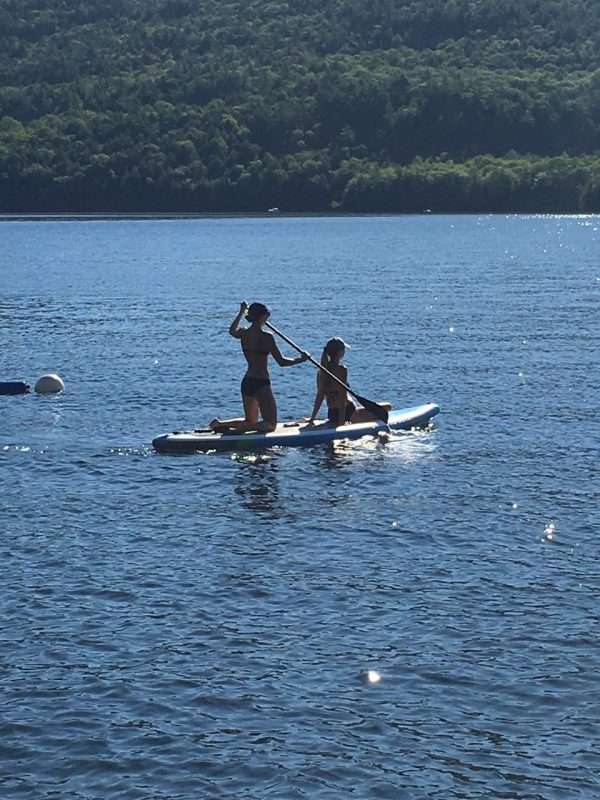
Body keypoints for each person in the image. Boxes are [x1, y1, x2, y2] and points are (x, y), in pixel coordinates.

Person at [210, 301, 308, 433]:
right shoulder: (267, 336)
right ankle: (244, 428)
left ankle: (219, 424)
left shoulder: (244, 334)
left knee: (251, 420)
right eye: (266, 316)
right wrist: (301, 359)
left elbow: (232, 330)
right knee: (270, 425)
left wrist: (241, 311)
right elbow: (282, 362)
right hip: (261, 383)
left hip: (247, 381)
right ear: (262, 317)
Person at [307, 337, 392, 426]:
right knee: (388, 406)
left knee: (382, 407)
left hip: (332, 414)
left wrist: (312, 419)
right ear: (340, 352)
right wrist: (342, 422)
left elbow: (320, 396)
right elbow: (342, 397)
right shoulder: (342, 370)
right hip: (349, 413)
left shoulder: (321, 372)